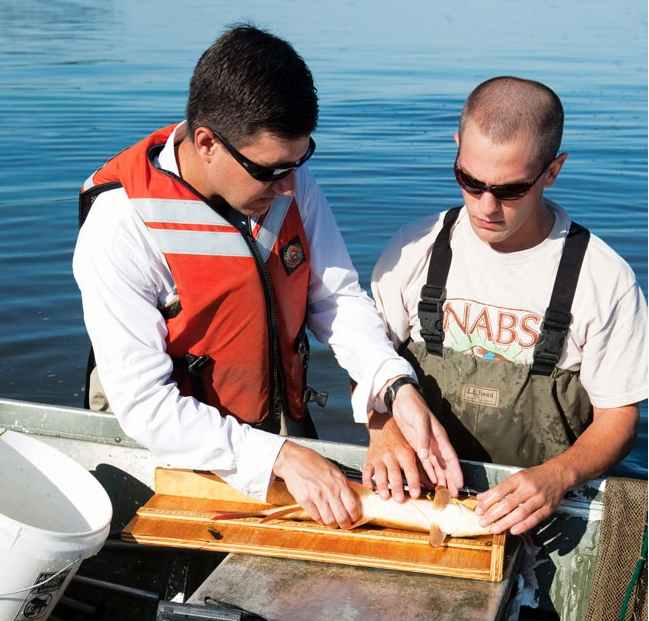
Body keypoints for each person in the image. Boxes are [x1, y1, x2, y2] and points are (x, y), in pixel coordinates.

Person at [73, 25, 463, 529]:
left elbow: (336, 299)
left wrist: (392, 386)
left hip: (272, 428)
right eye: (271, 171)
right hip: (164, 453)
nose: (289, 188)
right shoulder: (121, 226)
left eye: (300, 162)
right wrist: (281, 456)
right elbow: (145, 404)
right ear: (207, 143)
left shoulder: (286, 178)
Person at [367, 76, 647, 535]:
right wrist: (382, 428)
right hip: (422, 500)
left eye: (510, 190)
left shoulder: (603, 279)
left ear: (552, 171)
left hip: (544, 511)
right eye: (469, 181)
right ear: (457, 148)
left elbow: (618, 418)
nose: (486, 207)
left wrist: (557, 477)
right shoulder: (414, 250)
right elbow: (369, 358)